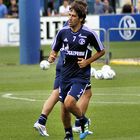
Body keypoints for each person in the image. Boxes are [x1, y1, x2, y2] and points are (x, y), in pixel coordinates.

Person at [34, 0, 93, 137]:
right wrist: (52, 56)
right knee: (62, 97)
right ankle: (75, 125)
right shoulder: (70, 26)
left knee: (85, 93)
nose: (71, 17)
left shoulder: (79, 28)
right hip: (69, 66)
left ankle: (75, 126)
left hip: (73, 66)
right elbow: (58, 46)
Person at [48, 1, 105, 139]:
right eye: (69, 15)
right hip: (65, 74)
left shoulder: (88, 33)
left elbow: (101, 51)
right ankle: (68, 134)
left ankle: (83, 120)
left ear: (80, 18)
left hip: (80, 75)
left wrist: (87, 62)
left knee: (69, 103)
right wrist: (52, 56)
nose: (70, 18)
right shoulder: (62, 32)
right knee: (64, 107)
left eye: (73, 16)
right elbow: (54, 50)